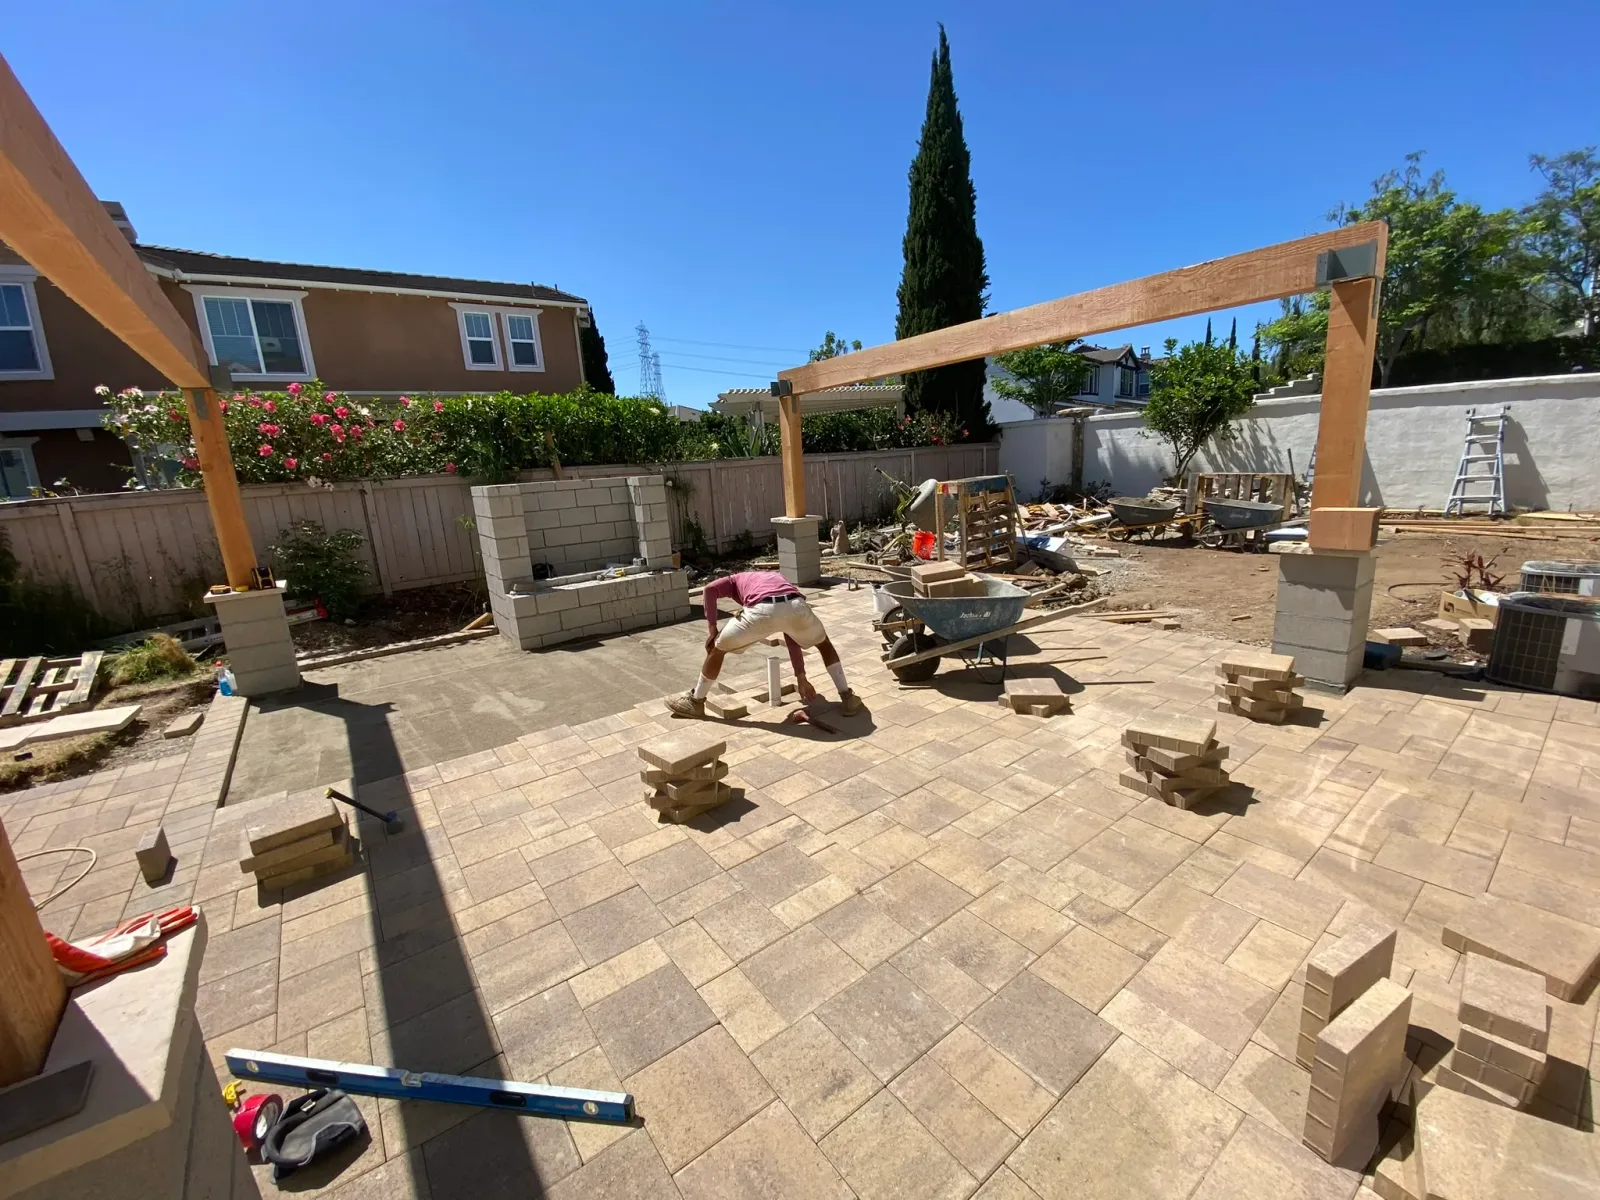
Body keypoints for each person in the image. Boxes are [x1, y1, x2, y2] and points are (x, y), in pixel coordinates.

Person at [666, 571, 864, 718]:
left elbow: (710, 589)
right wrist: (801, 678)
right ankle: (847, 697)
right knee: (824, 644)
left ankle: (696, 701)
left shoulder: (734, 580)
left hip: (760, 610)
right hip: (796, 605)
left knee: (717, 650)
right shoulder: (775, 577)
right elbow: (790, 631)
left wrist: (712, 631)